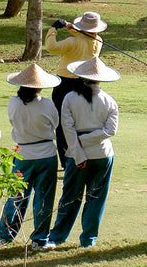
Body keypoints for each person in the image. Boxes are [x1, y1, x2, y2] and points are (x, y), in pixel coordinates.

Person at [48, 56, 120, 248]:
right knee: (96, 198)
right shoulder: (109, 100)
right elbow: (109, 131)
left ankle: (57, 237)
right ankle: (88, 240)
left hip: (76, 155)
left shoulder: (70, 98)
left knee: (70, 197)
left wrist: (79, 150)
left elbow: (67, 129)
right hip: (103, 155)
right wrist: (85, 141)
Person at [0, 63, 61, 251]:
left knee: (16, 196)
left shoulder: (13, 103)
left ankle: (4, 235)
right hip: (46, 154)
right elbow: (55, 123)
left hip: (23, 154)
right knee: (44, 198)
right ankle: (39, 239)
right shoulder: (47, 103)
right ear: (39, 86)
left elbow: (13, 122)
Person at [44, 11, 107, 168]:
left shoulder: (72, 42)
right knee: (79, 121)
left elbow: (51, 47)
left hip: (65, 84)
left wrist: (53, 29)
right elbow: (83, 37)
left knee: (62, 123)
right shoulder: (98, 40)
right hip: (85, 84)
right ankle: (80, 156)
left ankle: (66, 162)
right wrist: (70, 27)